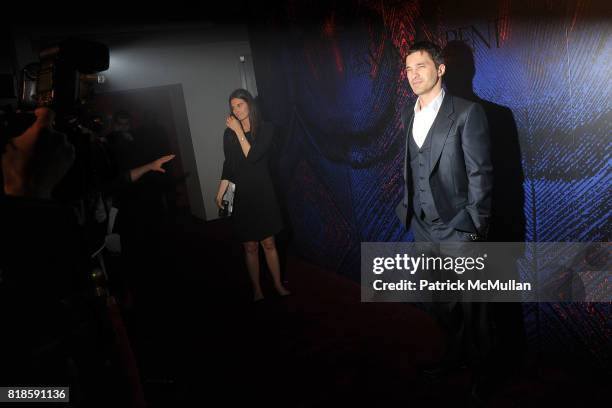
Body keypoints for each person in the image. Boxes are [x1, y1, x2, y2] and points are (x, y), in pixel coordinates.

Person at [396, 41, 494, 404]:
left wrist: (473, 228)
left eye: (421, 66)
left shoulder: (468, 113)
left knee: (475, 307)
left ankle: (485, 372)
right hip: (423, 226)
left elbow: (481, 175)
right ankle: (454, 358)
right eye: (408, 68)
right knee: (442, 302)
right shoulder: (409, 113)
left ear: (440, 69)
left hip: (459, 228)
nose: (413, 74)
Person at [216, 89, 290, 301]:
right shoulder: (228, 133)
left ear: (249, 104)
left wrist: (239, 130)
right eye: (232, 107)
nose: (235, 110)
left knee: (269, 243)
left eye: (239, 105)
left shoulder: (266, 128)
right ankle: (257, 288)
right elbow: (228, 165)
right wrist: (220, 192)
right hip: (242, 194)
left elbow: (253, 156)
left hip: (263, 192)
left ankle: (277, 284)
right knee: (250, 245)